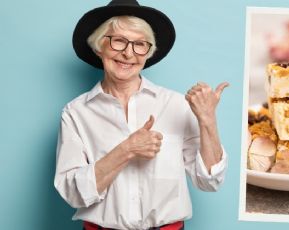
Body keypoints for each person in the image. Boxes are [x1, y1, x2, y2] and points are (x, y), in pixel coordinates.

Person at [54, 0, 228, 229]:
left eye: (140, 44)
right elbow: (72, 192)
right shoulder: (76, 113)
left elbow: (210, 181)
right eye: (118, 41)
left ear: (148, 53)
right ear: (99, 47)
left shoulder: (175, 104)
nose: (128, 53)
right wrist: (127, 149)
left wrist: (207, 121)